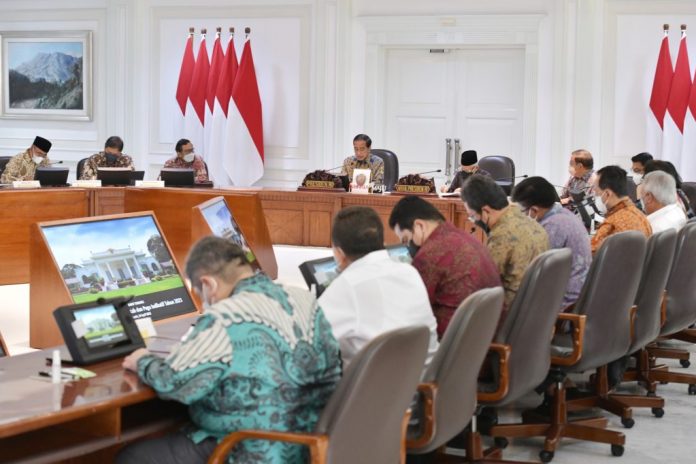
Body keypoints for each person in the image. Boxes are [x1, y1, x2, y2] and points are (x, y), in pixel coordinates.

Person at [117, 237, 342, 464]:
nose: (205, 303)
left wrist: (142, 360)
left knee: (134, 456)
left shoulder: (224, 316)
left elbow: (172, 383)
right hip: (316, 441)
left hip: (252, 448)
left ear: (209, 285)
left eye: (200, 294)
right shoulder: (305, 299)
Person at [318, 206, 439, 369]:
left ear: (339, 253)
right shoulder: (410, 272)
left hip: (373, 391)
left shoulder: (347, 285)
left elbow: (310, 338)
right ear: (383, 243)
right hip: (424, 385)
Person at [388, 196, 501, 338]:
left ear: (419, 226)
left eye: (406, 240)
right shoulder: (466, 238)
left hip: (449, 346)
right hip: (481, 341)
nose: (408, 246)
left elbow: (409, 312)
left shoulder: (429, 255)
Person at [459, 175, 549, 311]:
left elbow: (483, 284)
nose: (473, 220)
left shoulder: (501, 235)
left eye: (472, 216)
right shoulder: (534, 224)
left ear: (485, 211)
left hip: (508, 315)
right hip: (534, 312)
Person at [511, 177, 592, 309]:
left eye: (521, 212)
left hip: (564, 301)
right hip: (575, 294)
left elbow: (533, 269)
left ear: (534, 210)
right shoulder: (564, 214)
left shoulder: (552, 227)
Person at [590, 165, 651, 254]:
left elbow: (588, 255)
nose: (595, 196)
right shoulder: (642, 217)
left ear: (607, 194)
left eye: (596, 191)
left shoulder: (611, 224)